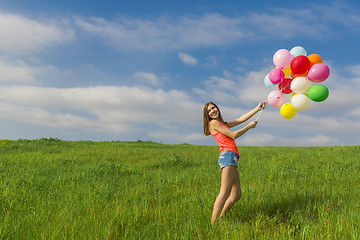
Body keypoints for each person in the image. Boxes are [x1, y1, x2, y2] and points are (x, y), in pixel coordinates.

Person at [203, 101, 267, 224]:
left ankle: (221, 219)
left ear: (217, 108)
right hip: (228, 156)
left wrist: (257, 109)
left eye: (213, 108)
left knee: (236, 194)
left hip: (232, 157)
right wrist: (249, 127)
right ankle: (213, 223)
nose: (212, 111)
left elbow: (240, 119)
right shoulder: (214, 123)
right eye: (209, 111)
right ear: (208, 116)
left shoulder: (222, 124)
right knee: (224, 192)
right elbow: (233, 135)